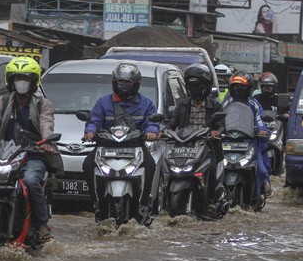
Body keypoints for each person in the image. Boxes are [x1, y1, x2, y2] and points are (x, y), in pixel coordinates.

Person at [0, 56, 57, 241]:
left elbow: (46, 125)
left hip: (32, 155)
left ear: (33, 81)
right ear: (10, 81)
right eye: (18, 79)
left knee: (31, 180)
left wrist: (47, 141)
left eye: (25, 79)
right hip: (3, 155)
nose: (21, 83)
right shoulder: (0, 103)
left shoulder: (43, 104)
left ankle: (41, 224)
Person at [82, 62, 159, 225]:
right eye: (120, 82)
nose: (123, 86)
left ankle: (144, 204)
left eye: (127, 83)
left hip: (135, 146)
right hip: (106, 146)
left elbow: (151, 122)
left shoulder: (146, 104)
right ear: (114, 83)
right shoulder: (103, 102)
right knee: (88, 164)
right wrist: (90, 131)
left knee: (151, 164)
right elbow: (94, 120)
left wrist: (151, 132)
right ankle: (95, 202)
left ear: (136, 85)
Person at [168, 64, 226, 209]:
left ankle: (211, 199)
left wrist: (216, 131)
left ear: (205, 86)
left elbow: (221, 124)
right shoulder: (182, 105)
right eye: (191, 85)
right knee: (167, 168)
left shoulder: (215, 105)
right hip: (184, 146)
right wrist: (164, 131)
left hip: (207, 146)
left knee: (212, 167)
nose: (194, 89)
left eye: (198, 85)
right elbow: (172, 124)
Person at [222, 73, 272, 198]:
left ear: (248, 88)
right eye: (236, 87)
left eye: (242, 87)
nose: (239, 90)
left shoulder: (253, 103)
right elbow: (220, 118)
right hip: (228, 141)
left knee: (260, 169)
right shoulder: (226, 103)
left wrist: (262, 130)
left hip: (249, 141)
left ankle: (263, 186)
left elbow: (260, 120)